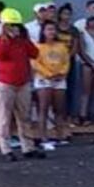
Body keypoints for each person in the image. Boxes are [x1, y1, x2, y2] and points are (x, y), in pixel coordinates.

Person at [0, 8, 43, 161]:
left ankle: (28, 147)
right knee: (4, 118)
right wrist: (7, 40)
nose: (14, 28)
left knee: (24, 117)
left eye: (16, 25)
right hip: (5, 84)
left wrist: (24, 39)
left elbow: (35, 53)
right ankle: (6, 149)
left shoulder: (22, 40)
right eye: (10, 25)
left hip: (23, 83)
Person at [33, 20, 71, 150]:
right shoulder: (38, 46)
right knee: (43, 109)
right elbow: (35, 63)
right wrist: (48, 74)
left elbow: (66, 61)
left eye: (53, 29)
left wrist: (61, 73)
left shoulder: (62, 46)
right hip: (44, 79)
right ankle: (43, 138)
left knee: (59, 109)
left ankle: (60, 136)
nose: (51, 32)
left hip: (59, 79)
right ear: (43, 31)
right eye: (48, 29)